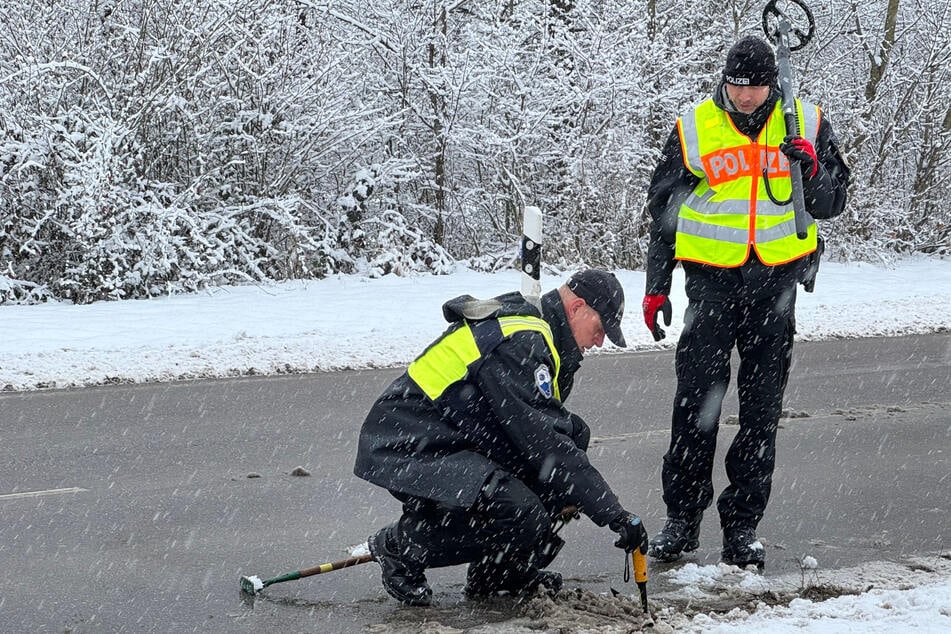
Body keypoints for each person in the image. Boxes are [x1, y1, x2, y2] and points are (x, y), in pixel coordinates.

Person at [641, 35, 850, 567]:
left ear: (772, 84)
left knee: (760, 414)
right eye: (737, 87)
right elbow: (663, 214)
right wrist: (656, 286)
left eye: (756, 87)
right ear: (726, 82)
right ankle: (682, 520)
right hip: (710, 288)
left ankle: (742, 527)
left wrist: (811, 170)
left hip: (774, 289)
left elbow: (832, 203)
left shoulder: (805, 122)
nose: (746, 97)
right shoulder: (695, 128)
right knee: (695, 410)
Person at [354, 269, 648, 606]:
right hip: (409, 440)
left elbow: (553, 434)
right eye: (599, 329)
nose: (599, 341)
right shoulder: (523, 340)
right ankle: (401, 547)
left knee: (574, 437)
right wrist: (614, 514)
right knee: (523, 510)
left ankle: (499, 572)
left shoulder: (541, 336)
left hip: (452, 435)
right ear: (578, 307)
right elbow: (545, 444)